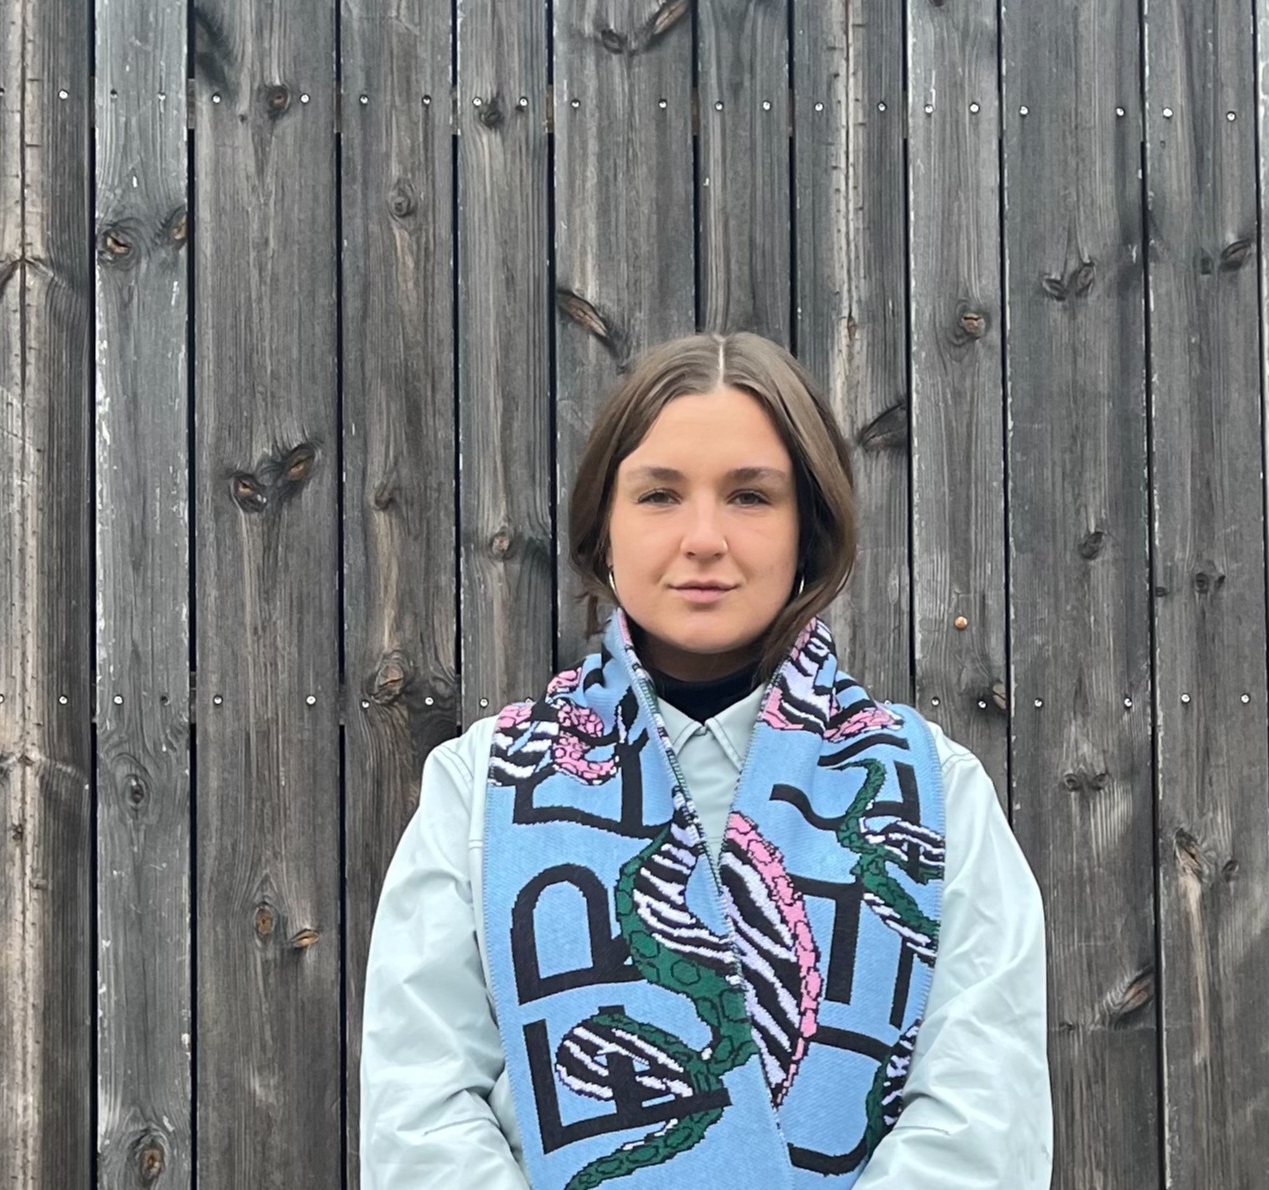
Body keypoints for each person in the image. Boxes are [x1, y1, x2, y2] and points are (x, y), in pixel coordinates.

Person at [359, 332, 1052, 1188]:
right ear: (602, 530)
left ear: (809, 530)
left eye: (750, 497)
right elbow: (421, 1107)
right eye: (658, 495)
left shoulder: (934, 793)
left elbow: (983, 1114)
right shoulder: (482, 788)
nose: (702, 538)